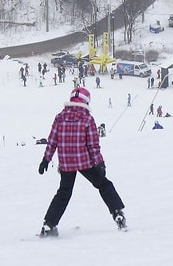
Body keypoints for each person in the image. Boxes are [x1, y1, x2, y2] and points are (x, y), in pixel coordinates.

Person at [37, 87, 126, 236]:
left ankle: (49, 224)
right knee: (104, 185)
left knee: (63, 193)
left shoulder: (60, 117)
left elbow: (52, 141)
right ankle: (117, 213)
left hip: (66, 164)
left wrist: (46, 159)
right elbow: (93, 145)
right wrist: (99, 163)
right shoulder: (87, 119)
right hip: (85, 161)